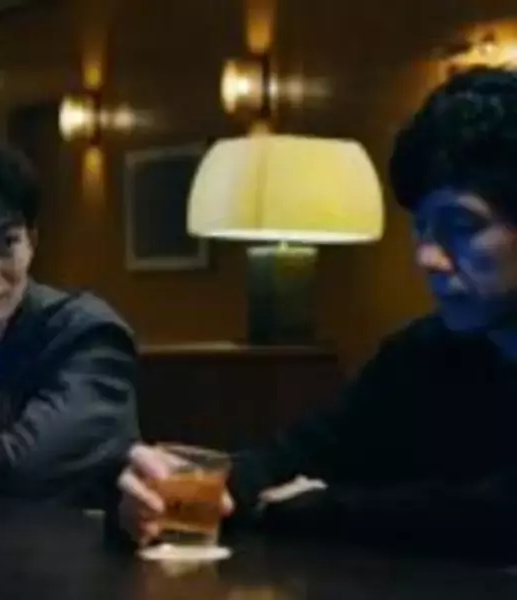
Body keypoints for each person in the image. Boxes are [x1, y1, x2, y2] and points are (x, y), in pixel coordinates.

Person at [117, 66, 517, 556]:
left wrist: (316, 509)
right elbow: (290, 457)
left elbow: (495, 517)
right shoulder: (421, 355)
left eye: (462, 225)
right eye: (421, 227)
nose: (427, 257)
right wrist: (169, 492)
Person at [0, 132, 139, 506]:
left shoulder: (87, 337)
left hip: (67, 544)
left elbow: (23, 467)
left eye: (7, 242)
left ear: (32, 243)